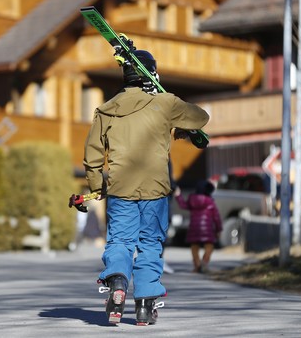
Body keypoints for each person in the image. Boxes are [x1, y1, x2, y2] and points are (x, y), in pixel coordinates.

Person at [83, 48, 209, 326]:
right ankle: (144, 306)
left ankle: (117, 281)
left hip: (120, 188)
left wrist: (97, 186)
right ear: (150, 75)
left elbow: (92, 157)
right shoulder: (165, 104)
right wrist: (166, 100)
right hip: (155, 188)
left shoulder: (106, 109)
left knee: (120, 242)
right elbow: (201, 118)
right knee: (150, 244)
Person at [174, 180, 222, 273]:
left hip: (194, 228)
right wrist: (218, 229)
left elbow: (183, 205)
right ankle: (204, 262)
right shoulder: (210, 201)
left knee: (194, 248)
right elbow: (216, 217)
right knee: (209, 246)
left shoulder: (192, 199)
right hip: (207, 229)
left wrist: (178, 195)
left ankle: (197, 265)